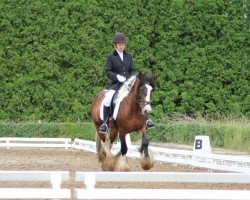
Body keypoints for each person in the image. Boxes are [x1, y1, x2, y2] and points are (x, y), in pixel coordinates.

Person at [99, 33, 154, 134]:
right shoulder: (111, 57)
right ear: (115, 45)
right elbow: (108, 71)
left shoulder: (129, 56)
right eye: (119, 45)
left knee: (142, 97)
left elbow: (132, 69)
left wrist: (132, 77)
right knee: (107, 99)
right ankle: (105, 123)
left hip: (128, 85)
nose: (121, 46)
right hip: (116, 84)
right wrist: (116, 77)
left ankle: (146, 120)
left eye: (123, 44)